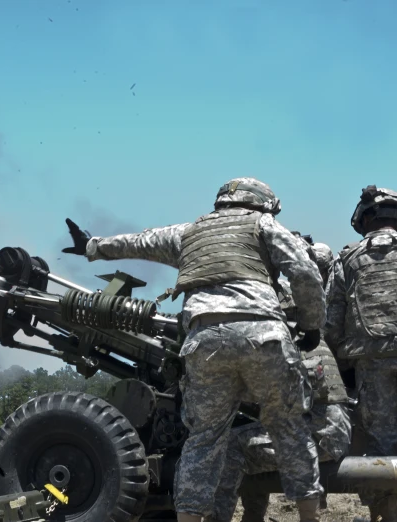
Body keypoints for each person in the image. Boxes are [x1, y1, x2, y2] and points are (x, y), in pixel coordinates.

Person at [62, 177, 326, 522]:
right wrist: (310, 324)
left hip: (204, 340)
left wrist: (92, 246)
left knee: (204, 439)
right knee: (288, 426)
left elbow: (140, 242)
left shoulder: (189, 231)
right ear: (263, 203)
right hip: (264, 335)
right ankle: (309, 517)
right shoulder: (264, 224)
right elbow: (304, 270)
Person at [208, 242, 351, 522]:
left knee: (230, 448)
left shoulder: (289, 346)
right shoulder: (306, 337)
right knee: (250, 435)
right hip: (323, 427)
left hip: (324, 434)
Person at [325, 185, 397, 522]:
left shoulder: (348, 259)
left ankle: (383, 514)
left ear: (366, 217)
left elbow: (330, 322)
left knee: (380, 444)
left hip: (372, 363)